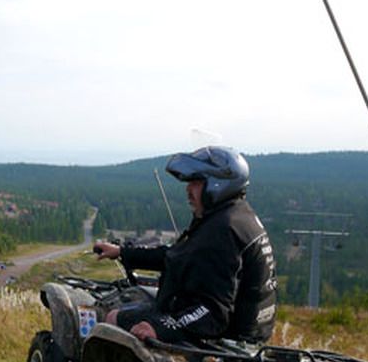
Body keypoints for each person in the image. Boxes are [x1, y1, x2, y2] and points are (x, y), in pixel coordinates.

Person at [93, 145, 276, 344]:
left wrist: (162, 328)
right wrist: (122, 252)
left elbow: (214, 312)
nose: (188, 189)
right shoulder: (235, 215)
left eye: (196, 182)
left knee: (112, 318)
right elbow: (179, 256)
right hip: (246, 331)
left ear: (216, 185)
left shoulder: (222, 231)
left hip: (223, 338)